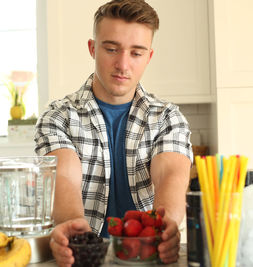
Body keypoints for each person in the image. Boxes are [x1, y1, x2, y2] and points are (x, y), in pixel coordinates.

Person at [35, 0, 193, 265]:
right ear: (92, 48)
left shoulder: (168, 118)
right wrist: (74, 226)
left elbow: (170, 176)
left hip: (146, 257)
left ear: (149, 57)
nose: (123, 64)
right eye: (111, 49)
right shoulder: (58, 117)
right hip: (82, 258)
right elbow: (63, 176)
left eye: (136, 53)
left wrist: (165, 225)